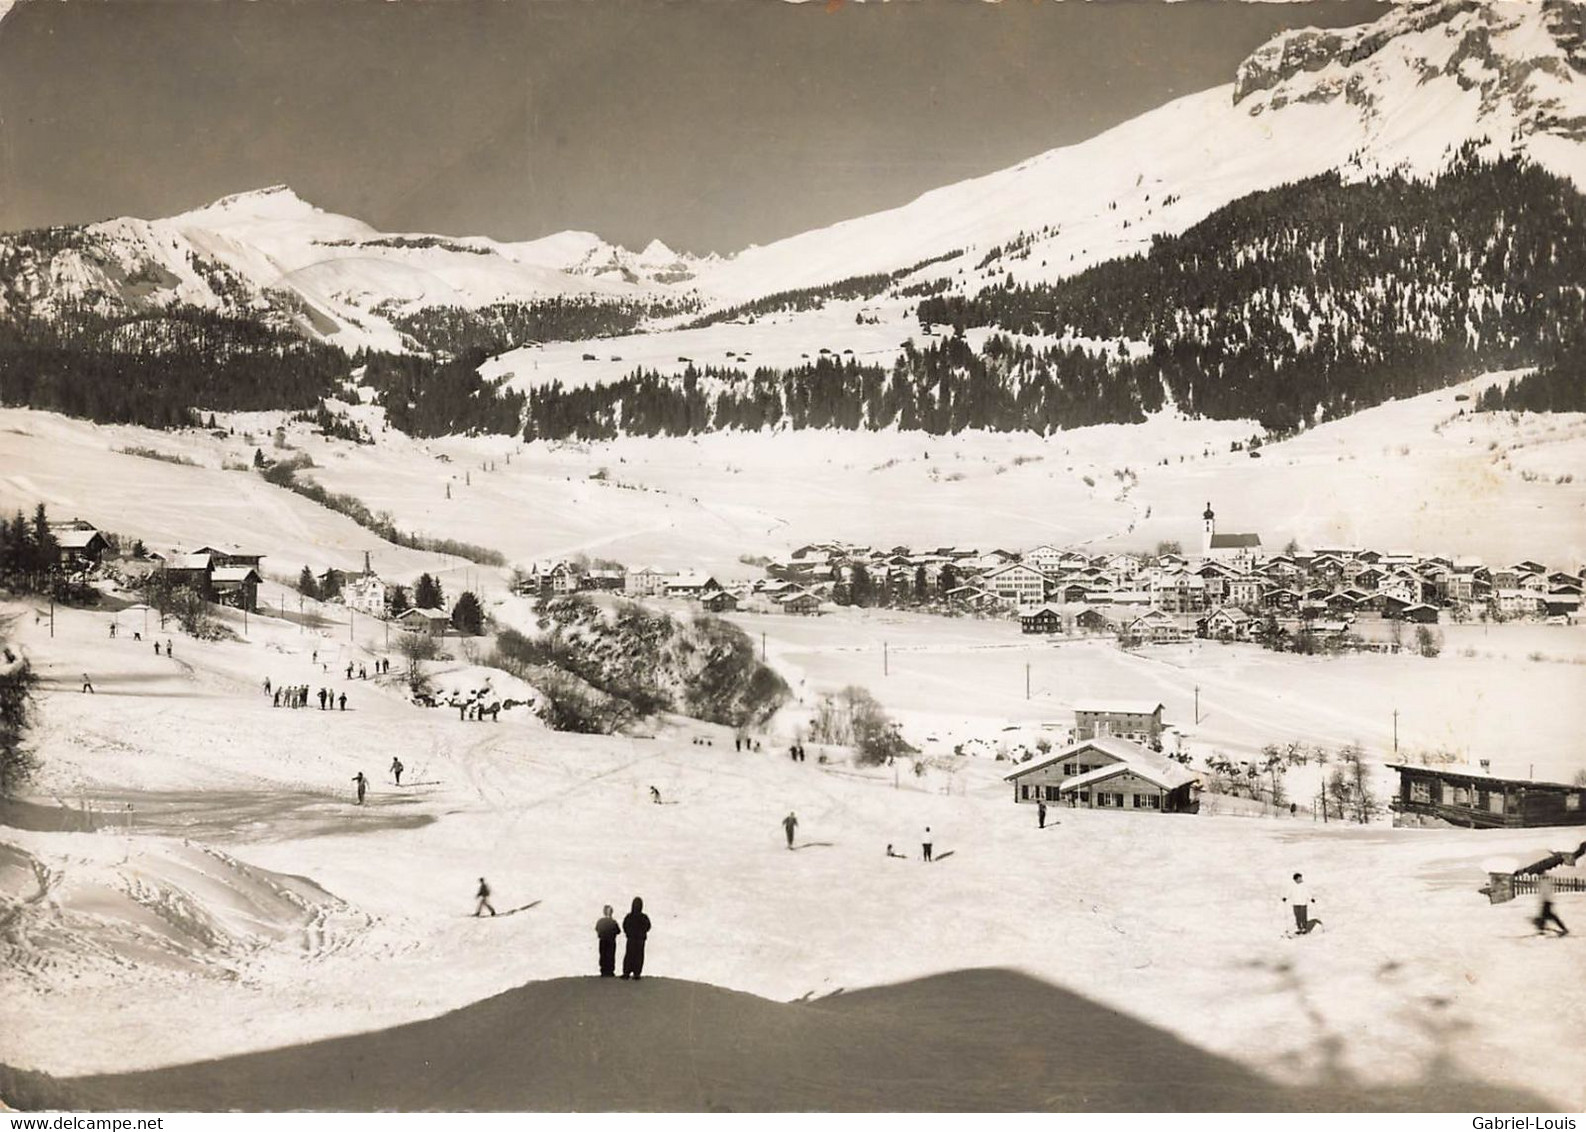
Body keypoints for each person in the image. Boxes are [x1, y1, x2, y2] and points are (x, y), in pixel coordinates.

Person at [621, 897, 651, 979]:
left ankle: (626, 972)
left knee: (629, 955)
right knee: (639, 956)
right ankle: (636, 973)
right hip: (640, 939)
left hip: (631, 939)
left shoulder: (629, 916)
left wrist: (628, 933)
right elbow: (648, 926)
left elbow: (625, 925)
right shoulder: (644, 917)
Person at [595, 904, 621, 976]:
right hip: (611, 940)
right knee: (611, 955)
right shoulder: (613, 922)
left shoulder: (600, 921)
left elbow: (597, 929)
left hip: (603, 940)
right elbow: (618, 931)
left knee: (603, 955)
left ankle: (603, 971)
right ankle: (610, 971)